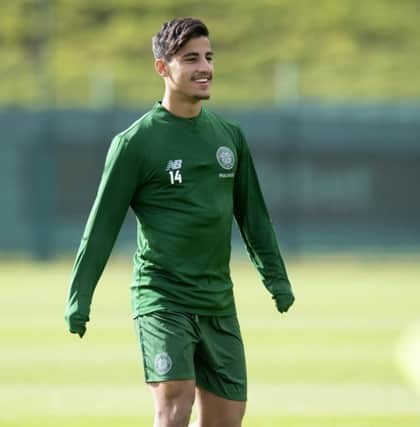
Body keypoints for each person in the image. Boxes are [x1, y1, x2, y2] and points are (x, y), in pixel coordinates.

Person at [64, 17, 295, 427]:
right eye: (191, 58)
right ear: (162, 68)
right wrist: (80, 297)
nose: (204, 67)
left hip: (218, 302)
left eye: (208, 57)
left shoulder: (229, 137)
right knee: (175, 405)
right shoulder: (135, 143)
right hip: (162, 299)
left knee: (226, 420)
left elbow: (253, 216)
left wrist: (276, 279)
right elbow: (100, 227)